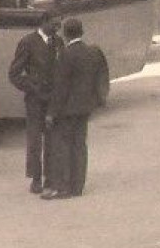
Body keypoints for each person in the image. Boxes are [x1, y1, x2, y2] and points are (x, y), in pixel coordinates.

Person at [42, 17, 109, 200]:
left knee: (62, 146)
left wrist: (51, 113)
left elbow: (61, 87)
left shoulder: (66, 55)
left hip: (67, 109)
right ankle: (77, 186)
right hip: (84, 107)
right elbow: (99, 79)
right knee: (80, 145)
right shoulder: (91, 52)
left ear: (65, 34)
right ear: (82, 32)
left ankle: (62, 186)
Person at [8, 11, 61, 194]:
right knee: (35, 140)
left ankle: (51, 177)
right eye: (54, 24)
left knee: (53, 139)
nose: (57, 29)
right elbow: (14, 74)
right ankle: (36, 178)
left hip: (53, 99)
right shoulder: (27, 42)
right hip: (35, 100)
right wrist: (32, 87)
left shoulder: (58, 42)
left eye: (59, 25)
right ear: (44, 22)